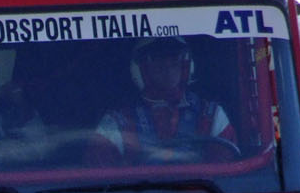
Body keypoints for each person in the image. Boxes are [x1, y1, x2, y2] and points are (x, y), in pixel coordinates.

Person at [87, 37, 239, 164]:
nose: (167, 65)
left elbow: (226, 175)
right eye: (157, 58)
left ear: (186, 65)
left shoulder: (211, 115)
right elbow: (101, 181)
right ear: (140, 68)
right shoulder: (117, 122)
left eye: (174, 57)